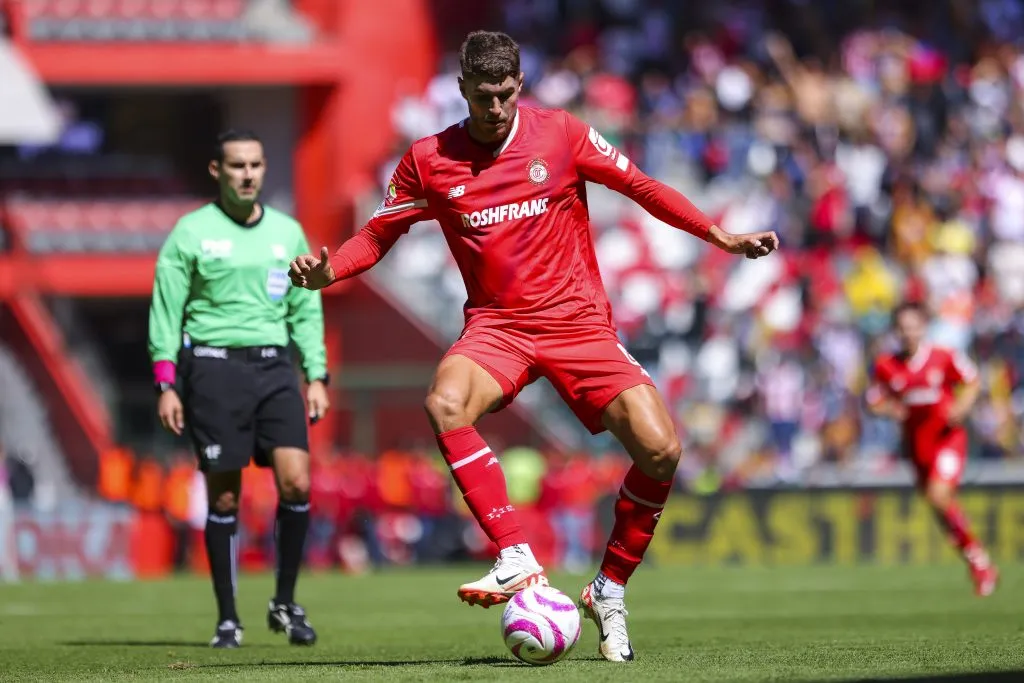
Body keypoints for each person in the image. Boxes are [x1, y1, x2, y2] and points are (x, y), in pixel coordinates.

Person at [290, 31, 778, 662]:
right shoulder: (429, 159)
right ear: (461, 87)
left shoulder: (562, 134)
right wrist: (333, 272)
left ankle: (609, 589)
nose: (495, 109)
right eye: (483, 96)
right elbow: (379, 234)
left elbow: (643, 187)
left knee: (662, 449)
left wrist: (721, 236)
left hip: (578, 324)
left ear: (518, 87)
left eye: (505, 95)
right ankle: (515, 555)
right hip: (499, 327)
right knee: (445, 403)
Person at [148, 130, 330, 648]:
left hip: (275, 368)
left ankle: (286, 603)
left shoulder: (288, 233)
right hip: (212, 368)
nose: (247, 174)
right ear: (216, 171)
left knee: (297, 481)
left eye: (255, 165)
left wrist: (315, 375)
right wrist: (166, 382)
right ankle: (228, 617)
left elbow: (305, 308)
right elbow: (166, 312)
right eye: (236, 166)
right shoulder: (190, 233)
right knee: (224, 494)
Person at [867, 301, 998, 596]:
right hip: (916, 446)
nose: (908, 333)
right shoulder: (887, 365)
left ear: (923, 327)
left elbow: (973, 380)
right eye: (902, 328)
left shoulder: (943, 357)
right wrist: (890, 409)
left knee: (939, 496)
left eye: (913, 326)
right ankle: (976, 559)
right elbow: (873, 401)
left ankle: (979, 561)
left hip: (947, 439)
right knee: (938, 506)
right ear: (895, 331)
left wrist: (962, 405)